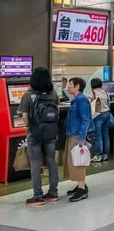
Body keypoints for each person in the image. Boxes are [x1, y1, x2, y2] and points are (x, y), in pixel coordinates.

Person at [19, 67, 60, 205]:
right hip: (50, 133)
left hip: (34, 134)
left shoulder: (28, 95)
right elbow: (57, 111)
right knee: (51, 161)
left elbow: (24, 117)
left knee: (35, 163)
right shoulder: (53, 93)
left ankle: (38, 196)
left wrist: (29, 128)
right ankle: (53, 193)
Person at [64, 77, 93, 202]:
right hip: (72, 134)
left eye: (70, 84)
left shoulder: (81, 100)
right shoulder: (76, 100)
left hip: (77, 135)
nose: (68, 86)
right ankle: (80, 185)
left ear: (77, 86)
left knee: (78, 161)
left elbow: (85, 119)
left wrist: (81, 137)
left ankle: (82, 189)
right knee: (73, 161)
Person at [89, 78, 111, 162]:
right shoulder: (105, 92)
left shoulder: (93, 92)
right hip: (107, 114)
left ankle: (98, 155)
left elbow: (88, 102)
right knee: (105, 135)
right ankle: (105, 154)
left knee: (98, 136)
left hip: (98, 115)